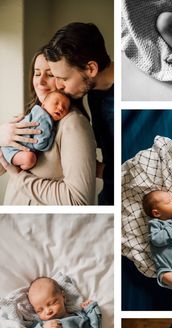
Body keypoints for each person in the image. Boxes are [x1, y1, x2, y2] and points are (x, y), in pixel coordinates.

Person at [0, 47, 96, 205]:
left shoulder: (73, 125)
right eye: (37, 73)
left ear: (62, 78)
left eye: (50, 74)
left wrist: (19, 177)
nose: (40, 81)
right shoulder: (26, 119)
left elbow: (78, 201)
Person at [43, 22, 114, 205]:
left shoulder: (126, 99)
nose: (58, 85)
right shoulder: (92, 93)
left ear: (91, 68)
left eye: (64, 78)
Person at [1, 90, 70, 170]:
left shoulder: (36, 113)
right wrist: (52, 135)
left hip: (9, 145)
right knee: (30, 159)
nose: (61, 108)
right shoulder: (44, 119)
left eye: (65, 107)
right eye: (56, 103)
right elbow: (40, 145)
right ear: (43, 105)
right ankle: (21, 171)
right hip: (13, 149)